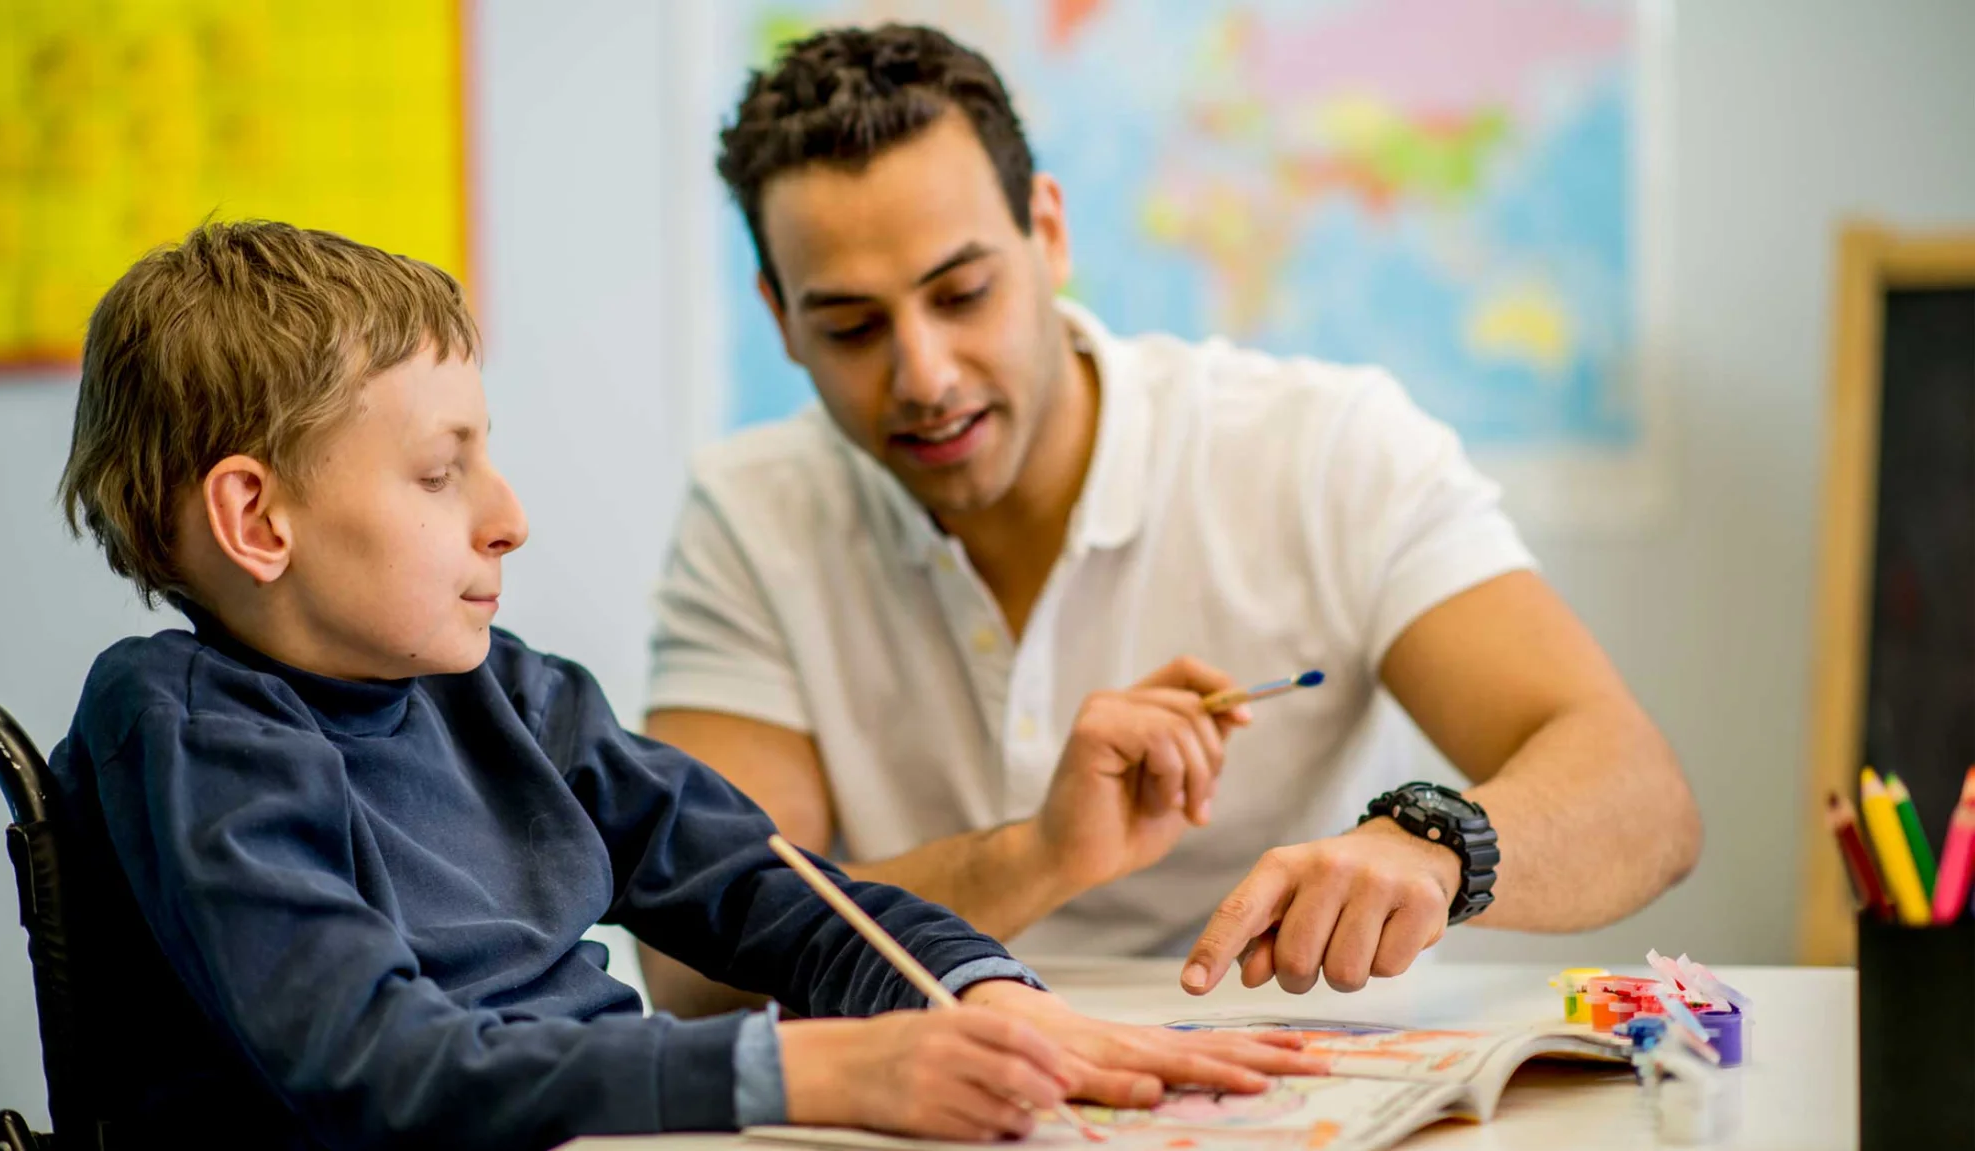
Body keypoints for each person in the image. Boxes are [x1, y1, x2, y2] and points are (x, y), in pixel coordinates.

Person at [45, 220, 1318, 1148]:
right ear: (255, 518)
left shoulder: (508, 691)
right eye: (441, 474)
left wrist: (980, 997)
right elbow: (381, 1070)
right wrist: (822, 1071)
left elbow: (768, 885)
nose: (508, 517)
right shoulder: (185, 730)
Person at [641, 23, 1701, 1016]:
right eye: (850, 325)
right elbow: (692, 959)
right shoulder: (752, 513)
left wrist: (1432, 844)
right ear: (780, 319)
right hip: (928, 1087)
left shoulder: (1326, 448)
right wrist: (1039, 852)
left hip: (1288, 1080)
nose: (923, 375)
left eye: (962, 293)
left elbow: (1638, 794)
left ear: (1046, 234)